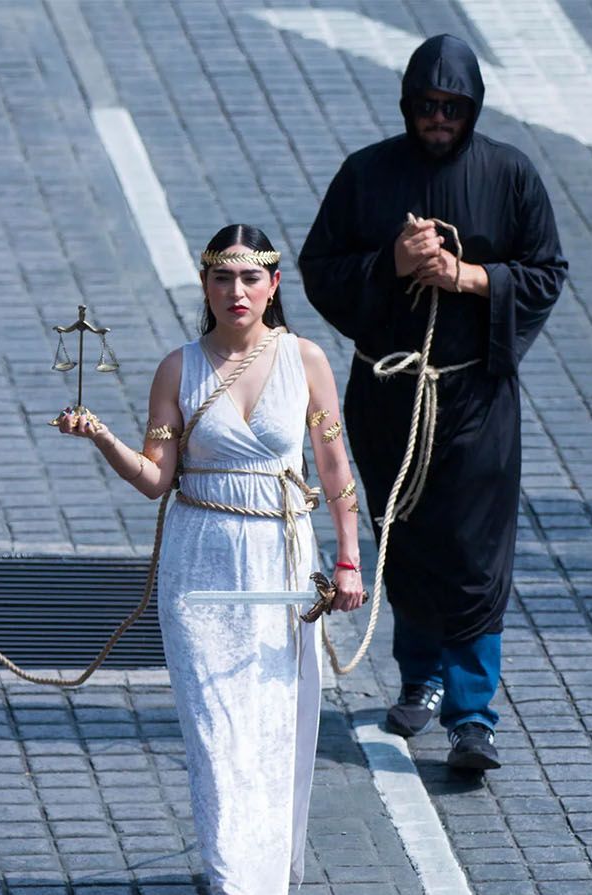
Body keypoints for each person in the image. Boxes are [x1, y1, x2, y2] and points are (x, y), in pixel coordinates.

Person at [55, 225, 366, 893]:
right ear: (205, 286)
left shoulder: (305, 360)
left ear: (273, 286)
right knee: (218, 737)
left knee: (272, 726)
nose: (237, 291)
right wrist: (102, 435)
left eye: (251, 278)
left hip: (282, 567)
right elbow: (155, 477)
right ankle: (233, 880)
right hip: (202, 573)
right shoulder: (179, 367)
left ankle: (263, 876)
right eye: (223, 278)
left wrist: (348, 560)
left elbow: (335, 466)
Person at [298, 34, 567, 772]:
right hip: (389, 398)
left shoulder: (510, 176)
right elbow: (319, 268)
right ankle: (419, 677)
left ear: (473, 108)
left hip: (476, 397)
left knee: (475, 557)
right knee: (405, 540)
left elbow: (545, 272)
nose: (439, 118)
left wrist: (467, 278)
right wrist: (392, 262)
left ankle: (474, 714)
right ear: (409, 105)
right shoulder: (367, 174)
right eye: (427, 106)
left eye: (452, 107)